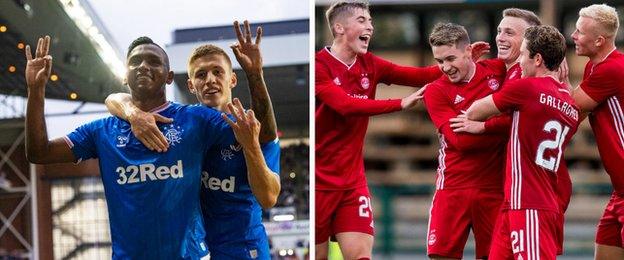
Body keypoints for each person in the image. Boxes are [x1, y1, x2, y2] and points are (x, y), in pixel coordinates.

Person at [25, 35, 233, 259]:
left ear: (169, 77)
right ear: (125, 76)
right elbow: (39, 152)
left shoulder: (196, 119)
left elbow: (257, 134)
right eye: (135, 62)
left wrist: (254, 75)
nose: (143, 66)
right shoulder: (101, 131)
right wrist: (36, 90)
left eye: (153, 61)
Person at [105, 21, 281, 259]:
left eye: (217, 72)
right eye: (201, 75)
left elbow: (269, 198)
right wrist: (132, 112)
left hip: (244, 250)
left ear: (232, 80)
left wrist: (254, 73)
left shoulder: (250, 128)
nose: (209, 80)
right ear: (190, 84)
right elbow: (115, 98)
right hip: (197, 252)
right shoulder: (183, 127)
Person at [466, 25, 579, 259]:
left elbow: (474, 112)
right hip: (523, 201)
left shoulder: (526, 88)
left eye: (523, 54)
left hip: (529, 202)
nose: (519, 62)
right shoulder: (571, 105)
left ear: (537, 59)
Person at [423, 22, 508, 260]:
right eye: (440, 61)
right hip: (452, 187)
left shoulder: (497, 72)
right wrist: (501, 123)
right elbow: (462, 143)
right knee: (441, 256)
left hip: (494, 188)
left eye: (451, 58)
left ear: (469, 51)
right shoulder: (435, 91)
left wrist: (480, 126)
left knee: (494, 256)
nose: (445, 67)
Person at [567, 4, 624, 259]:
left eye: (579, 31)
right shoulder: (595, 68)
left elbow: (566, 107)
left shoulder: (611, 70)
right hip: (620, 190)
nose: (573, 35)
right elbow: (573, 116)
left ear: (599, 40)